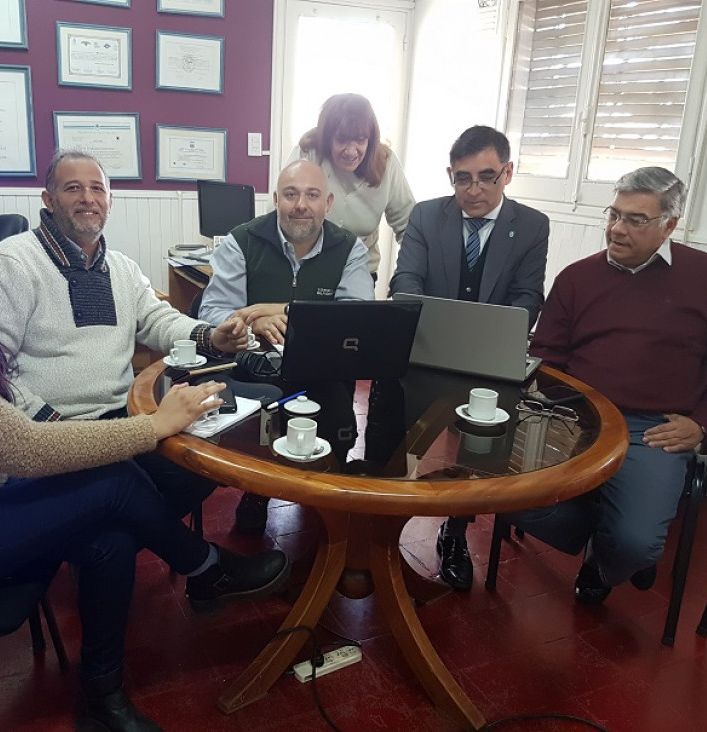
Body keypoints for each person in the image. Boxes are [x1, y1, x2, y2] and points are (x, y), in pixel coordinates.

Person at [0, 150, 290, 732]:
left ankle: (103, 698)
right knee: (113, 484)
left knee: (111, 530)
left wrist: (205, 335)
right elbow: (17, 443)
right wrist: (155, 425)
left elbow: (152, 320)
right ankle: (204, 568)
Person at [510, 166, 707, 604]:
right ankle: (607, 531)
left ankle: (606, 561)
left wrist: (701, 425)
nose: (616, 229)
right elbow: (547, 357)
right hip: (577, 417)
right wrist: (564, 408)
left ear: (669, 225)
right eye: (613, 214)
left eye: (635, 220)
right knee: (511, 496)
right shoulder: (577, 278)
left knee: (638, 544)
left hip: (654, 430)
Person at [0, 150, 246, 554]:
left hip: (126, 421)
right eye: (73, 188)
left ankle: (123, 529)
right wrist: (52, 424)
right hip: (54, 434)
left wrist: (213, 337)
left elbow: (158, 320)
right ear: (48, 200)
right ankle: (201, 565)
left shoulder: (121, 267)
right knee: (113, 529)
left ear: (110, 200)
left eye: (97, 189)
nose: (88, 198)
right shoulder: (13, 263)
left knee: (203, 468)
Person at [387, 125, 549, 591]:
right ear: (450, 176)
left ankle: (455, 531)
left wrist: (489, 335)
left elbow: (526, 298)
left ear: (508, 173)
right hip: (427, 352)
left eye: (486, 177)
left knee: (480, 446)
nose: (474, 190)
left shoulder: (531, 225)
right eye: (462, 179)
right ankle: (383, 518)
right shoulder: (425, 216)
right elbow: (406, 284)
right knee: (397, 425)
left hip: (488, 361)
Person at [199, 159, 374, 533]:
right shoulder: (241, 240)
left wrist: (279, 309)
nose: (301, 205)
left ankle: (326, 492)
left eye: (312, 195)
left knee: (336, 425)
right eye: (291, 195)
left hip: (325, 371)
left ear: (328, 202)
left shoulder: (350, 249)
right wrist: (252, 321)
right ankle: (257, 489)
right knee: (255, 431)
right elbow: (212, 310)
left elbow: (356, 317)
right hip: (255, 368)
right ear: (276, 199)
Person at [288, 93, 415, 279]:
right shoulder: (308, 153)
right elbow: (279, 213)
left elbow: (408, 228)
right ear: (327, 137)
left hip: (361, 271)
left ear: (370, 140)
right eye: (341, 140)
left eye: (361, 140)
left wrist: (407, 276)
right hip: (307, 269)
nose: (351, 151)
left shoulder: (386, 163)